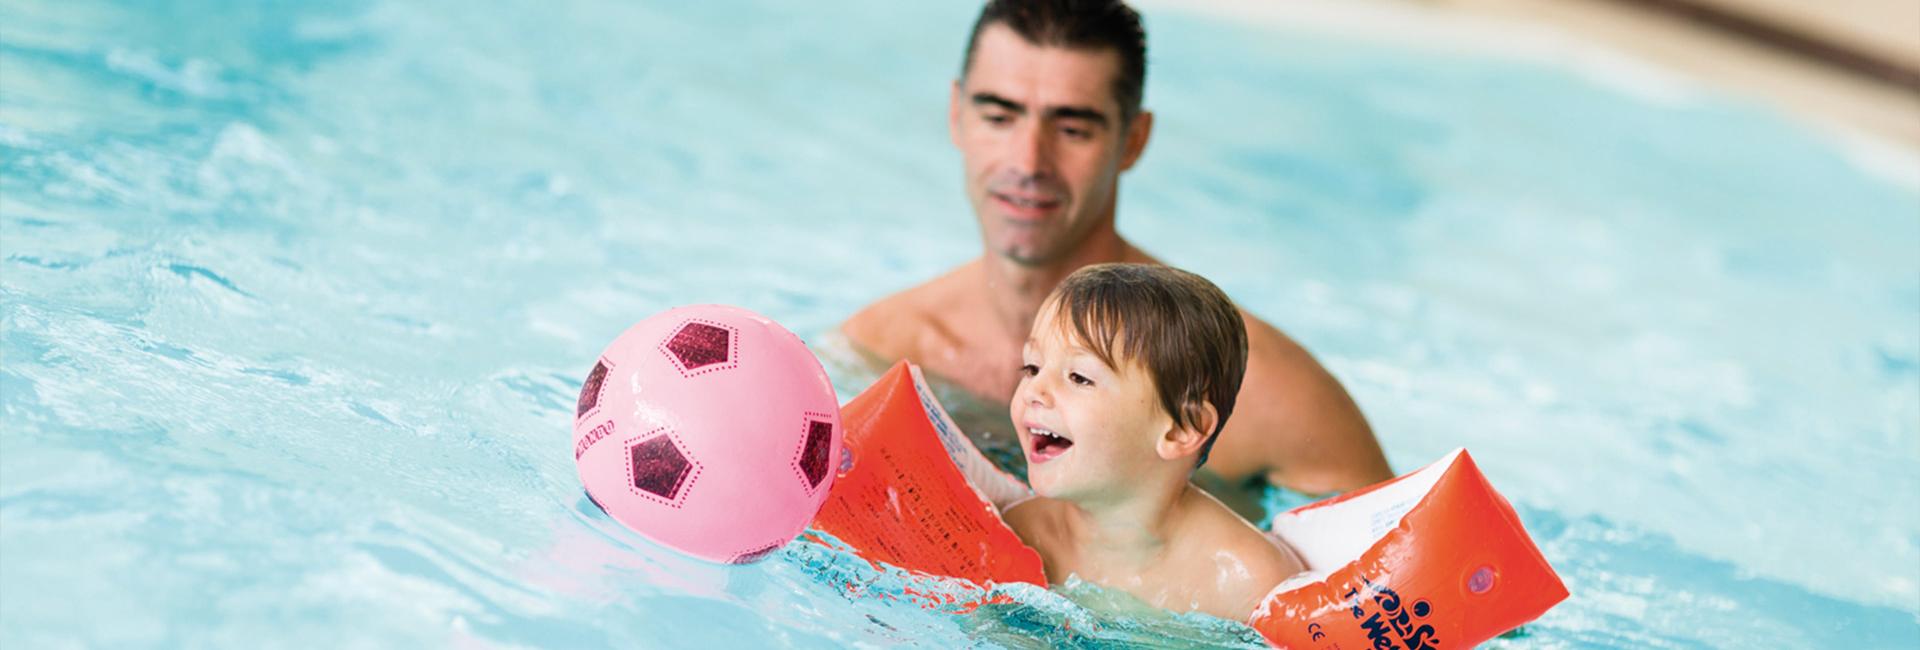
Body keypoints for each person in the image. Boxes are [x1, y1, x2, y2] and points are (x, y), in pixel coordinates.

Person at [841, 0, 1392, 502]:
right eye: (999, 115)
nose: (1029, 162)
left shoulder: (1262, 390)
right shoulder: (882, 352)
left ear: (1133, 140)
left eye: (1074, 127)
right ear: (957, 114)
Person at [1000, 263, 1303, 621]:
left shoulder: (1248, 583)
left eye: (1079, 378)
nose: (1034, 391)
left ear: (1180, 429)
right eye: (1032, 368)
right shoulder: (1020, 535)